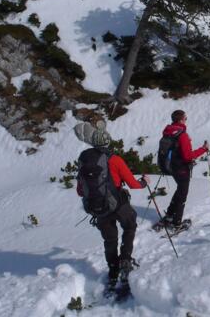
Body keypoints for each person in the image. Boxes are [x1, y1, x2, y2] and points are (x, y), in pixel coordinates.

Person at [74, 120, 149, 297]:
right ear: (108, 142)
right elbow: (132, 183)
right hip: (118, 204)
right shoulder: (114, 159)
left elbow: (79, 190)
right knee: (130, 226)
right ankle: (125, 261)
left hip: (98, 208)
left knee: (110, 240)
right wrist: (144, 182)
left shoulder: (84, 160)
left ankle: (113, 271)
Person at [155, 110, 209, 232]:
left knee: (180, 190)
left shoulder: (168, 132)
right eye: (185, 118)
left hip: (172, 168)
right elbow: (188, 156)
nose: (186, 120)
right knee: (182, 195)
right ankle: (176, 223)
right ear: (180, 120)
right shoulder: (182, 135)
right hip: (182, 169)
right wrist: (203, 149)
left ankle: (169, 215)